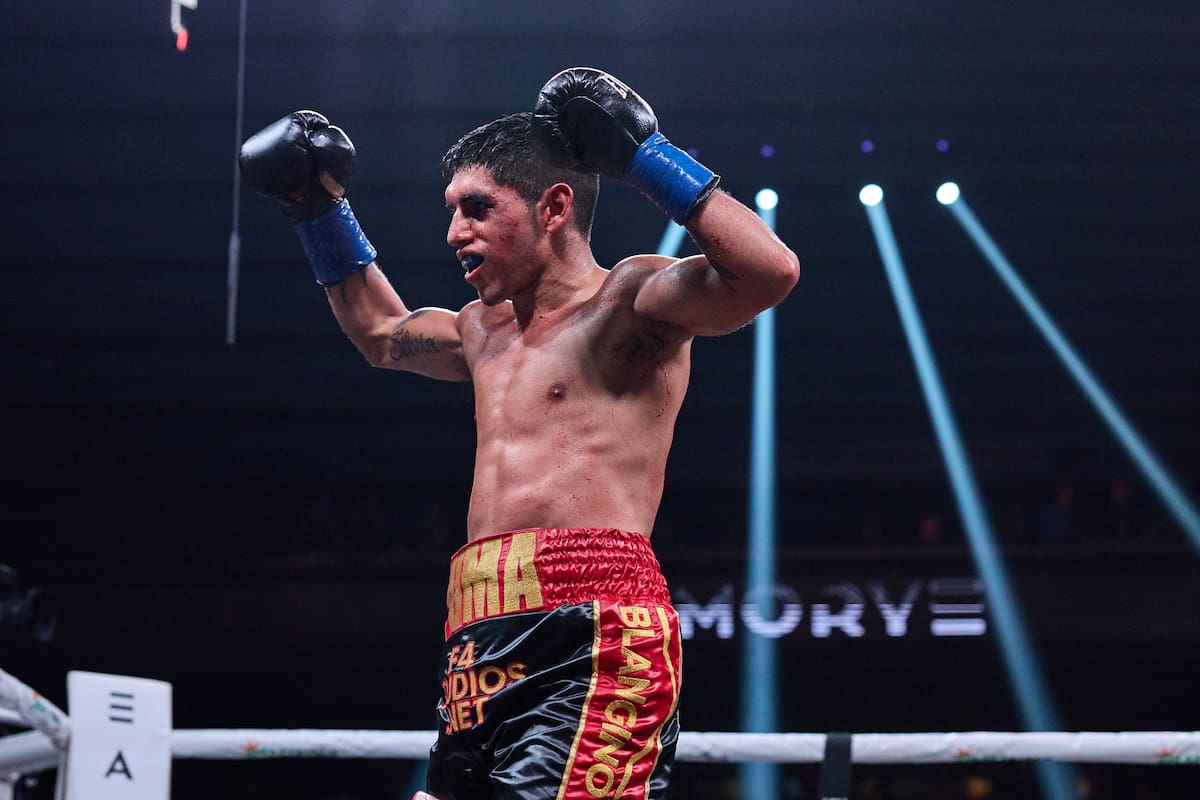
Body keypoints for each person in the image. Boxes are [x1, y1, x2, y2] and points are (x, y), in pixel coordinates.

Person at [239, 67, 799, 800]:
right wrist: (316, 209)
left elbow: (769, 272)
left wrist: (644, 157)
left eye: (477, 209)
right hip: (478, 632)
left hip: (592, 622)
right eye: (453, 211)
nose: (455, 233)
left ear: (554, 207)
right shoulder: (480, 330)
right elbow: (380, 333)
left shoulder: (632, 302)